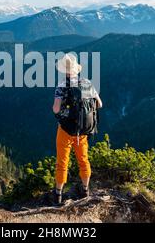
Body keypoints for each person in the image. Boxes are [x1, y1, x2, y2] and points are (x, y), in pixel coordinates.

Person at [52, 53, 102, 205]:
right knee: (83, 160)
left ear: (64, 70)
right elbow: (99, 104)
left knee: (62, 161)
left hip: (66, 129)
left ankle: (58, 194)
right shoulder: (86, 83)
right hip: (83, 131)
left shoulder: (62, 85)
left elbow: (55, 109)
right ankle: (85, 190)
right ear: (76, 69)